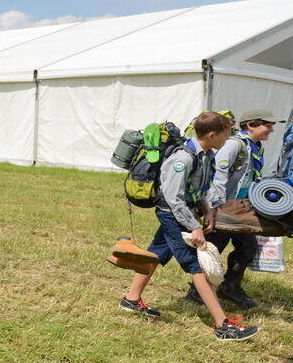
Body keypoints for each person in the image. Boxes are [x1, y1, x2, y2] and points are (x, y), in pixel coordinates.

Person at [119, 111, 259, 341]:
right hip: (172, 215)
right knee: (197, 265)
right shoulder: (182, 159)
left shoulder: (205, 155)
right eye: (225, 136)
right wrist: (194, 227)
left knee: (157, 253)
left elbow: (198, 189)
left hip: (183, 213)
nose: (228, 141)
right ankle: (223, 326)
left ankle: (131, 299)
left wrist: (207, 210)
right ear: (212, 135)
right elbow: (173, 198)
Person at [187, 108, 283, 309]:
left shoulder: (255, 147)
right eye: (268, 125)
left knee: (248, 248)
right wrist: (215, 208)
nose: (271, 130)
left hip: (242, 208)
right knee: (213, 249)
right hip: (224, 208)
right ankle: (197, 291)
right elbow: (219, 177)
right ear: (251, 125)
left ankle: (230, 287)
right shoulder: (233, 144)